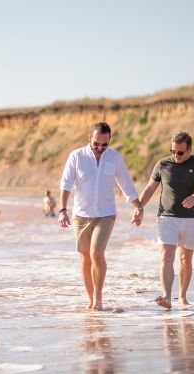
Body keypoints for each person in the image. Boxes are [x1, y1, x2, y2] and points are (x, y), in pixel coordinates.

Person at [57, 122, 142, 311]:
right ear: (90, 138)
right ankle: (90, 300)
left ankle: (98, 298)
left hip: (106, 214)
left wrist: (138, 207)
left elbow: (126, 184)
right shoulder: (76, 156)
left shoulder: (114, 157)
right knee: (86, 258)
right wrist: (62, 210)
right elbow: (66, 184)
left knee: (96, 253)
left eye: (104, 145)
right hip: (81, 214)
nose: (100, 148)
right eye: (97, 144)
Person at [137, 132, 194, 310]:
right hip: (166, 218)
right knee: (166, 257)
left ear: (190, 149)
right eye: (173, 151)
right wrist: (139, 207)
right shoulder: (162, 164)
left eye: (180, 153)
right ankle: (167, 297)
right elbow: (150, 188)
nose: (176, 156)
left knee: (185, 259)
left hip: (191, 218)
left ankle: (182, 297)